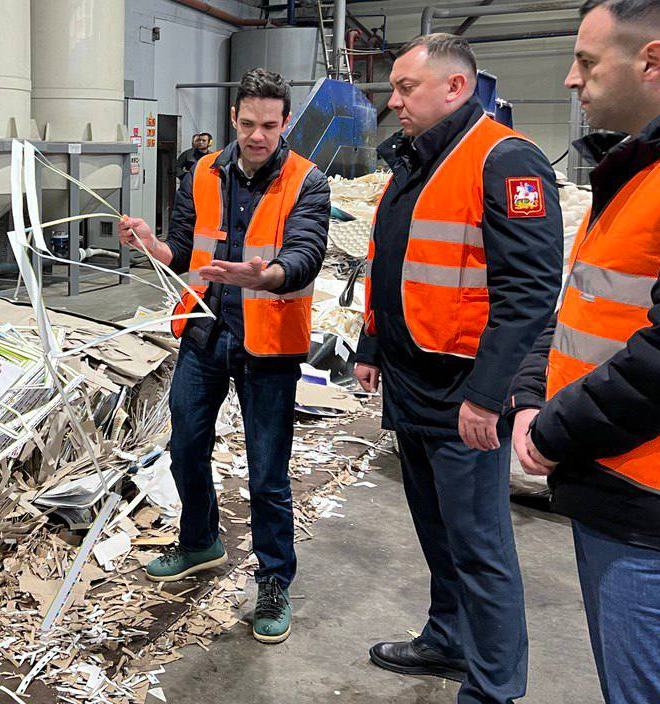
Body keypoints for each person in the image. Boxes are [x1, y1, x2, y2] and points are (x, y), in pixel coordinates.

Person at [508, 0, 660, 704]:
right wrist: (530, 393)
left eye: (587, 62)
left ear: (653, 60)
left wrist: (556, 429)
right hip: (616, 479)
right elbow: (584, 309)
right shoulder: (648, 166)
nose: (571, 80)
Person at [354, 34, 562, 704]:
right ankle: (448, 638)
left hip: (462, 393)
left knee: (479, 547)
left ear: (456, 88)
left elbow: (529, 292)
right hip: (412, 382)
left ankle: (494, 687)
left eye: (405, 88)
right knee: (435, 528)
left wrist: (487, 394)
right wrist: (369, 344)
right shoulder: (414, 161)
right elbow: (393, 261)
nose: (392, 102)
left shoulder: (505, 160)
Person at [119, 68, 329, 644]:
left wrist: (267, 275)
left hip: (269, 345)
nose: (257, 135)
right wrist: (151, 245)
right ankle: (201, 541)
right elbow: (181, 247)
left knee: (267, 474)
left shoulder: (308, 183)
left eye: (268, 125)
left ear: (285, 123)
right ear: (231, 121)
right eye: (246, 123)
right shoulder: (204, 174)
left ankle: (273, 581)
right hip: (206, 334)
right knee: (185, 446)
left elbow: (307, 253)